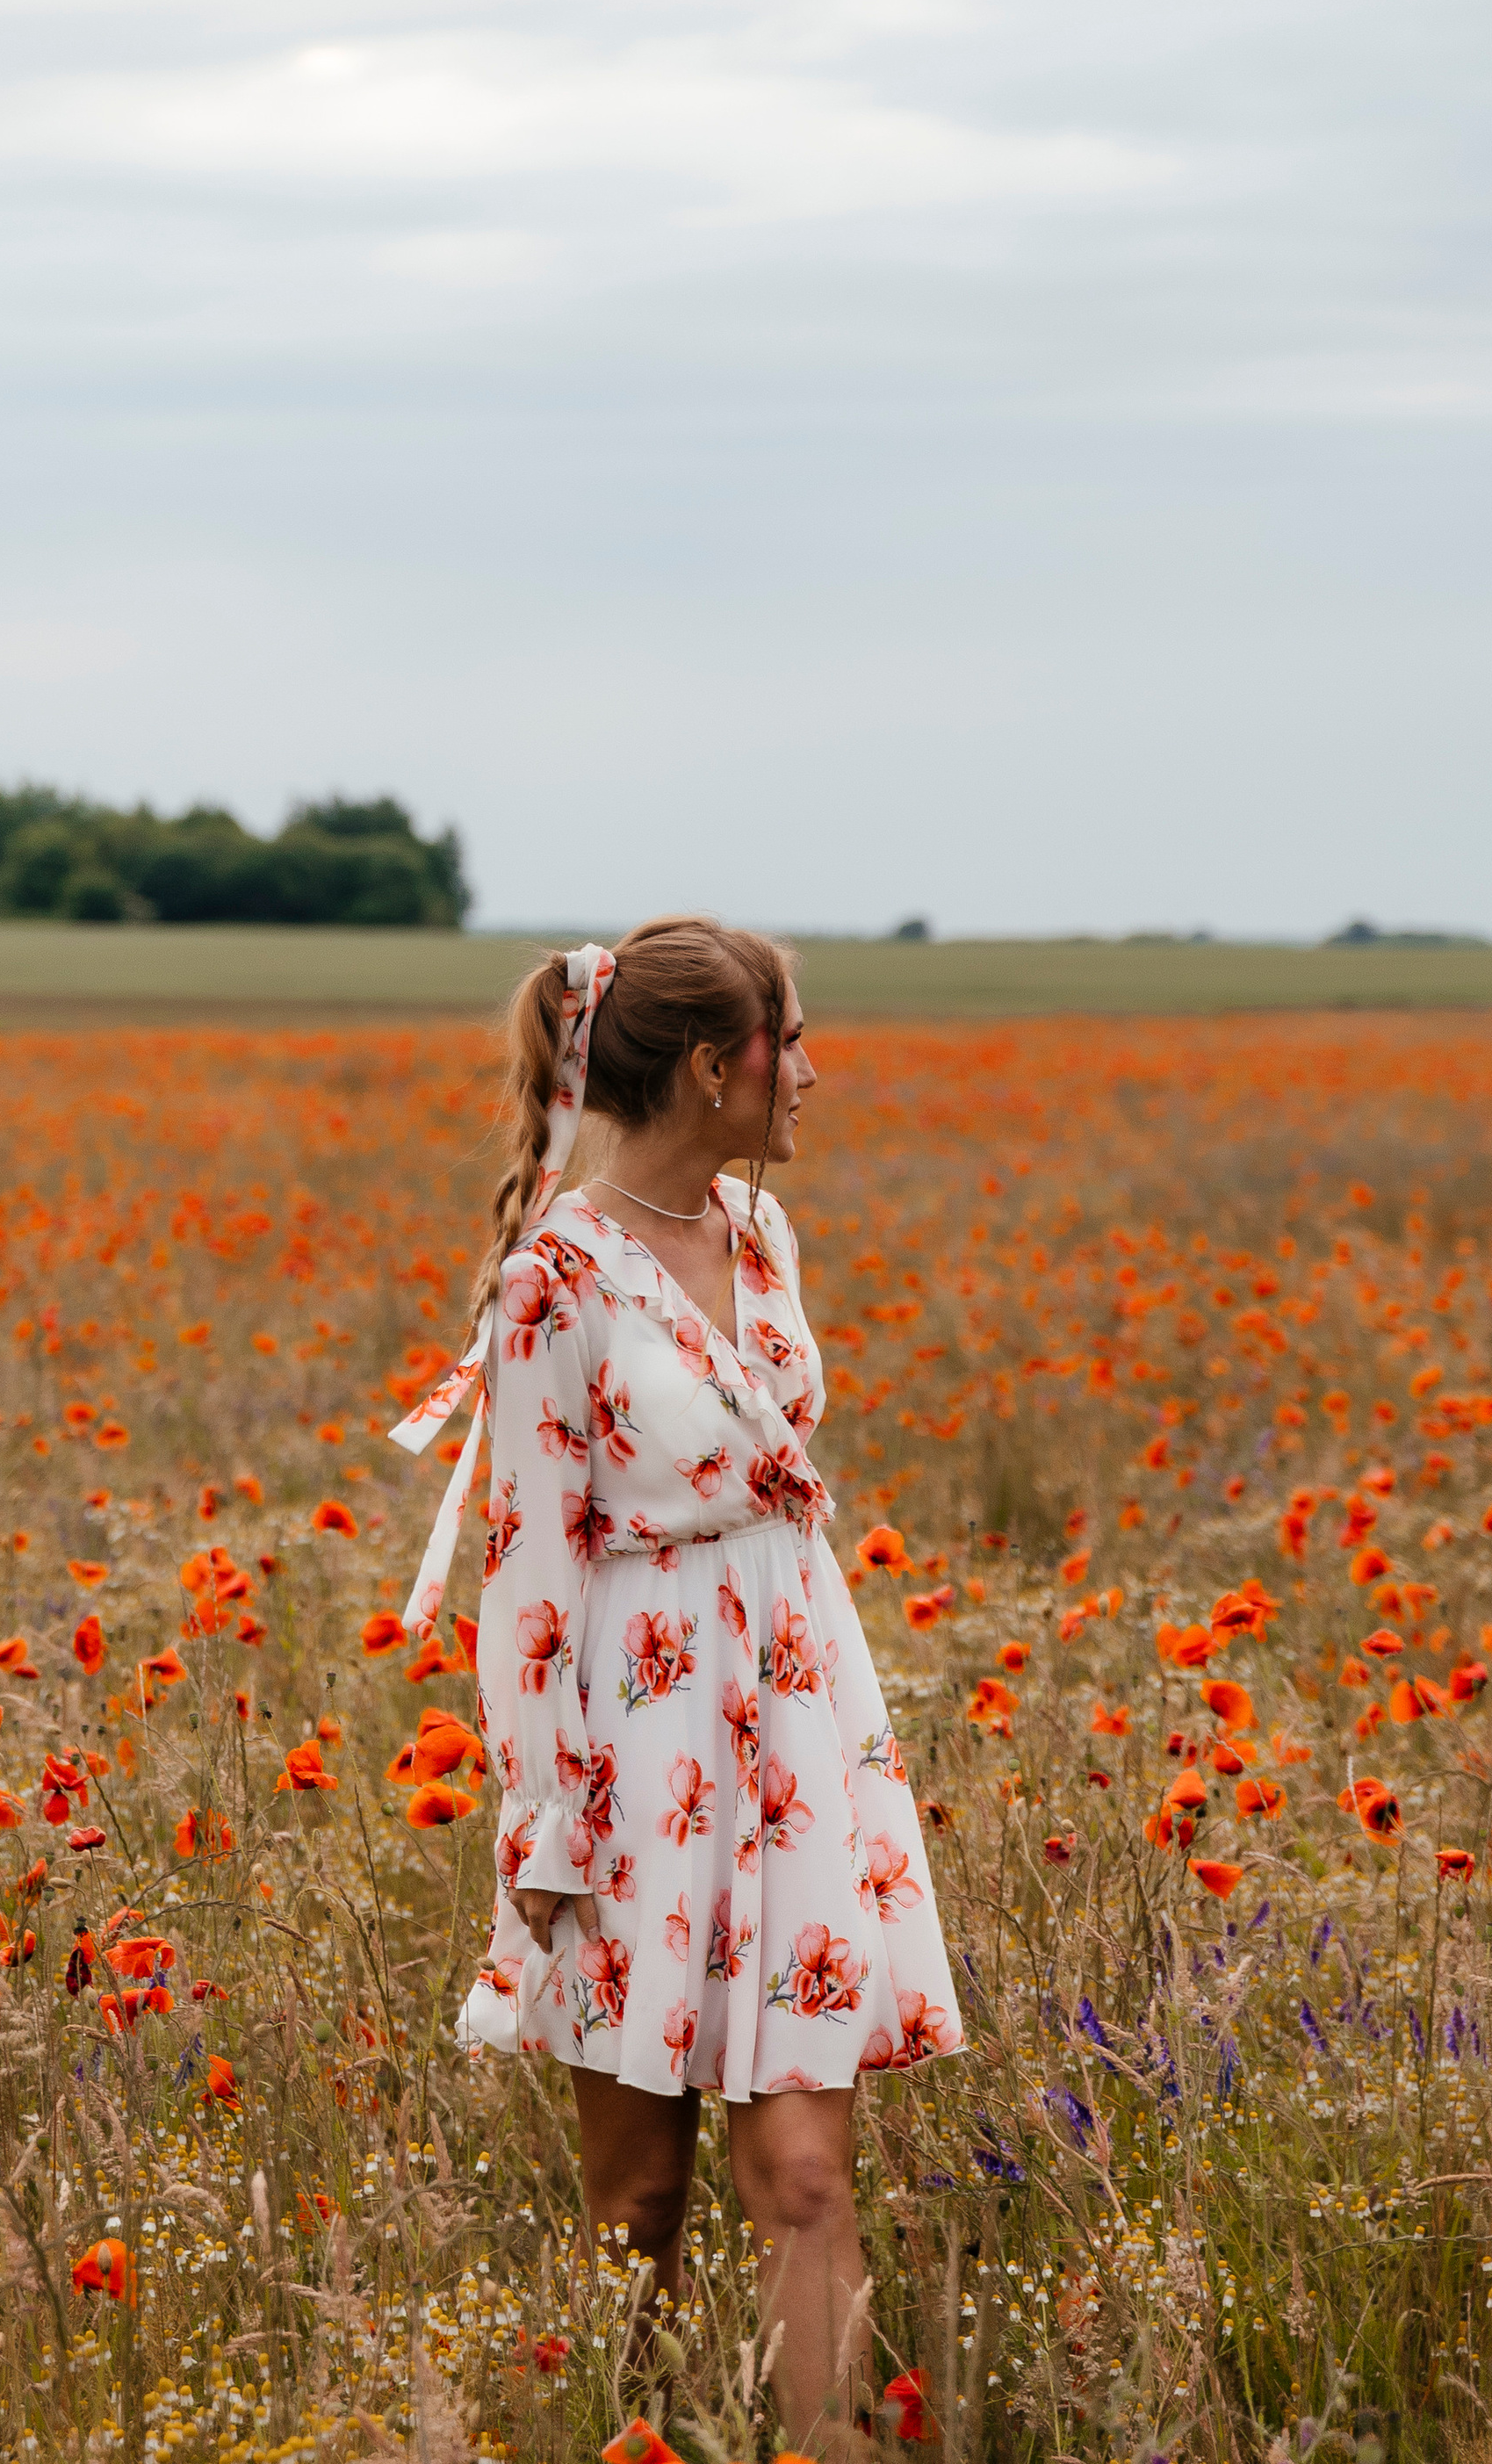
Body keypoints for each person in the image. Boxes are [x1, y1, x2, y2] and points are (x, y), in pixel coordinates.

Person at [391, 919, 961, 2459]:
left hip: (790, 1729)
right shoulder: (553, 1280)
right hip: (634, 1758)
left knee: (806, 2180)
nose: (815, 1076)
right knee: (636, 2203)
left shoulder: (763, 1235)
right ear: (717, 1064)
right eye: (796, 1044)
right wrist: (549, 1822)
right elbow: (525, 1574)